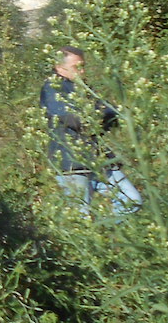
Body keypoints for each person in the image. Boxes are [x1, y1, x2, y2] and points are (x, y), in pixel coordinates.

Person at [39, 47, 139, 210]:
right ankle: (98, 233)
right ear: (59, 67)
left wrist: (113, 114)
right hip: (72, 163)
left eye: (83, 66)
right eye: (76, 67)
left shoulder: (82, 87)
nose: (82, 71)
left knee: (132, 201)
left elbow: (107, 113)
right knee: (81, 217)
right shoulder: (52, 88)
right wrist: (101, 114)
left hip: (98, 159)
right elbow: (73, 119)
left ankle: (106, 234)